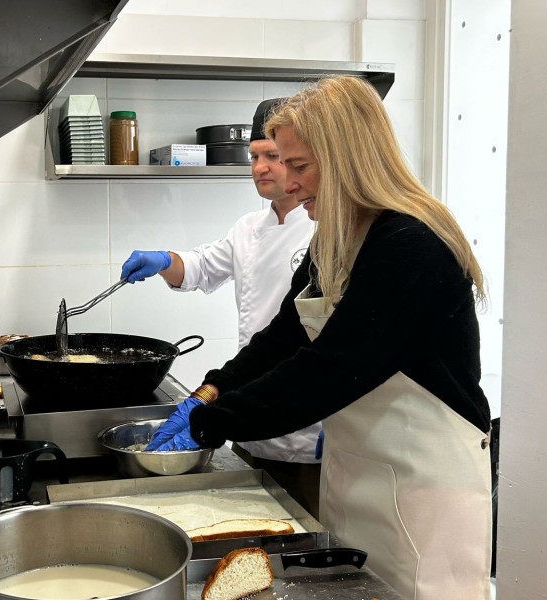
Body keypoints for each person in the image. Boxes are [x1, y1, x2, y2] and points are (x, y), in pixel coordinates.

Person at [146, 76, 492, 600]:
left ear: (349, 159)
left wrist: (209, 424)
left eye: (299, 167)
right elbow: (282, 337)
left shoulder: (412, 245)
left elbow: (330, 369)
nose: (287, 184)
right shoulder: (335, 242)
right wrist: (210, 389)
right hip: (355, 471)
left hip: (425, 490)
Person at [120, 98, 320, 516]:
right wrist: (163, 260)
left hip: (307, 422)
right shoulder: (248, 229)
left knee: (301, 526)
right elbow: (199, 267)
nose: (260, 168)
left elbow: (305, 343)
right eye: (254, 157)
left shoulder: (325, 230)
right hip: (248, 405)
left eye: (274, 157)